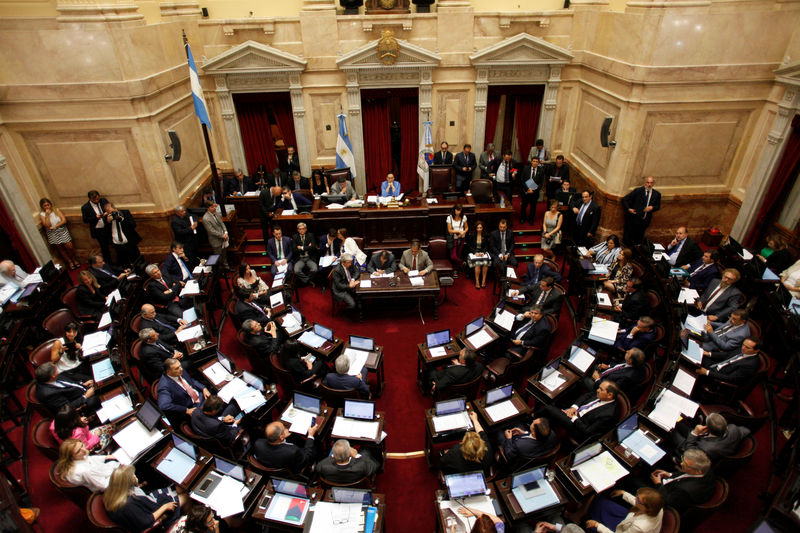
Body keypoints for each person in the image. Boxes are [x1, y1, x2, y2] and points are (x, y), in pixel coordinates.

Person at [539, 487, 663, 533]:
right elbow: (638, 502)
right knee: (599, 500)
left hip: (622, 529)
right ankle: (580, 512)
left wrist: (598, 526)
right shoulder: (657, 507)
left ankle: (579, 517)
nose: (635, 499)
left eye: (638, 500)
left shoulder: (640, 527)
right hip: (630, 518)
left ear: (647, 508)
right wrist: (624, 493)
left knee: (591, 523)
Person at [103, 464, 186, 531]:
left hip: (147, 502)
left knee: (178, 489)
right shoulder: (128, 504)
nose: (135, 476)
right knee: (184, 497)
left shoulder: (111, 492)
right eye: (133, 475)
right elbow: (146, 522)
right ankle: (190, 521)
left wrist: (137, 485)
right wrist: (165, 507)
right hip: (154, 510)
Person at [539, 380, 620, 441]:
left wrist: (574, 418)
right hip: (575, 413)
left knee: (548, 408)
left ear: (610, 395)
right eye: (599, 388)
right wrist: (574, 407)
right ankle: (541, 429)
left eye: (601, 389)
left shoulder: (608, 414)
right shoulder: (602, 395)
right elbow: (586, 396)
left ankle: (529, 419)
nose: (597, 390)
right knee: (558, 400)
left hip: (578, 428)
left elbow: (588, 432)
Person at [640, 449, 715, 514]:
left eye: (685, 464)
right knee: (650, 467)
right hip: (674, 484)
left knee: (637, 482)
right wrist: (669, 474)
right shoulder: (705, 468)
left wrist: (658, 484)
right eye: (683, 460)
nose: (681, 463)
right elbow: (686, 474)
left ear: (698, 472)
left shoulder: (685, 490)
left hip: (667, 497)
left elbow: (667, 501)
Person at [676, 413, 751, 462]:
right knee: (678, 424)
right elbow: (746, 431)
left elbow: (689, 450)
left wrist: (695, 433)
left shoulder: (707, 449)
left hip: (691, 449)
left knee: (673, 433)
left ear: (707, 428)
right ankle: (677, 423)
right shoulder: (734, 428)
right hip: (709, 441)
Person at [253, 420, 321, 474]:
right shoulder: (292, 451)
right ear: (281, 437)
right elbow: (307, 456)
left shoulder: (258, 443)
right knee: (314, 447)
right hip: (293, 467)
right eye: (284, 428)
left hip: (273, 462)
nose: (287, 428)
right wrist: (310, 435)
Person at [157, 358, 210, 423]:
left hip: (201, 395)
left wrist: (203, 388)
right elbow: (164, 405)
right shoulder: (164, 386)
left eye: (180, 366)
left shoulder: (180, 370)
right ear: (168, 372)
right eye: (177, 368)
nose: (181, 369)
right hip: (193, 407)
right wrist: (185, 410)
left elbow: (191, 381)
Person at [34, 362, 98, 414]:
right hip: (79, 405)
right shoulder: (48, 394)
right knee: (101, 396)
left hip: (80, 391)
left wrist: (83, 384)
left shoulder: (50, 378)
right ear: (52, 375)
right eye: (55, 369)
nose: (57, 369)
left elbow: (69, 383)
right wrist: (86, 396)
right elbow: (67, 408)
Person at [696, 337, 761, 386]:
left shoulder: (751, 365)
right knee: (696, 357)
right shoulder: (744, 349)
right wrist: (709, 354)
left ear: (757, 350)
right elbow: (727, 354)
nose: (743, 348)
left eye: (747, 347)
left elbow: (730, 378)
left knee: (692, 367)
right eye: (743, 345)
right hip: (716, 365)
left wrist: (707, 372)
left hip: (718, 376)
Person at [683, 308, 750, 354]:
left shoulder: (742, 334)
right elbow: (723, 325)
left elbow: (725, 346)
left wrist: (711, 332)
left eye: (734, 319)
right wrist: (709, 322)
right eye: (731, 317)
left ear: (743, 321)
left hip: (712, 346)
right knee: (685, 329)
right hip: (707, 335)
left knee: (686, 346)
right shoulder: (734, 320)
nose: (730, 320)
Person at [39, 197, 79, 269]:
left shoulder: (56, 210)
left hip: (62, 230)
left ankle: (74, 259)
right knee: (61, 248)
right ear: (42, 207)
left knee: (69, 246)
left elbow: (63, 220)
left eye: (48, 205)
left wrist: (55, 226)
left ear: (50, 204)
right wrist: (47, 215)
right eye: (45, 206)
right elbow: (47, 225)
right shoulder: (42, 214)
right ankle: (69, 262)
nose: (47, 207)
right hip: (53, 234)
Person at [621, 176, 661, 246]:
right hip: (633, 220)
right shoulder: (638, 191)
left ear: (653, 183)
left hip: (644, 221)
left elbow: (658, 206)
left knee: (638, 240)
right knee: (628, 240)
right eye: (648, 182)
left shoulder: (656, 194)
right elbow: (624, 199)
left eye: (651, 183)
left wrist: (652, 207)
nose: (649, 184)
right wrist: (628, 209)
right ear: (645, 183)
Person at [81, 190, 112, 264]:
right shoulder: (85, 207)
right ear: (90, 199)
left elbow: (110, 208)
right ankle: (109, 264)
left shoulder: (103, 201)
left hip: (108, 226)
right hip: (99, 230)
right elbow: (85, 220)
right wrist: (95, 217)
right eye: (94, 199)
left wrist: (107, 213)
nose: (96, 201)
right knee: (104, 248)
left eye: (97, 199)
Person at [201, 203, 229, 269]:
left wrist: (226, 232)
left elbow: (222, 223)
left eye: (214, 206)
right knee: (218, 256)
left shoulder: (216, 213)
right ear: (208, 208)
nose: (214, 208)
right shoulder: (205, 218)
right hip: (216, 240)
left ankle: (226, 267)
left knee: (224, 254)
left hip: (224, 237)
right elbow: (211, 231)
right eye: (212, 207)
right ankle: (220, 270)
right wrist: (222, 235)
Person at [518, 156, 545, 225]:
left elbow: (541, 183)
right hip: (526, 191)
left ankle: (531, 219)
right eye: (534, 161)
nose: (535, 163)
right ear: (531, 162)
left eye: (537, 162)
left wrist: (534, 191)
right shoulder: (526, 168)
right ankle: (522, 218)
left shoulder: (541, 171)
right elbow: (522, 180)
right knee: (524, 206)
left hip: (535, 193)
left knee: (533, 207)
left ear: (538, 163)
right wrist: (528, 189)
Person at [466, 220, 491, 289]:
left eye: (481, 228)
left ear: (482, 228)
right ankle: (477, 282)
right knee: (478, 264)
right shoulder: (472, 235)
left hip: (482, 253)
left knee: (485, 264)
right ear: (476, 228)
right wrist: (475, 252)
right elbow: (469, 246)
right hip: (474, 254)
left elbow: (486, 246)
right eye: (478, 228)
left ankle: (483, 281)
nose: (479, 229)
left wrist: (483, 252)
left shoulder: (485, 235)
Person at [446, 204, 468, 271]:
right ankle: (462, 263)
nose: (458, 212)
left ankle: (456, 269)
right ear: (454, 210)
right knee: (453, 256)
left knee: (458, 254)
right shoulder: (449, 218)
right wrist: (458, 231)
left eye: (460, 211)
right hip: (453, 238)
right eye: (457, 210)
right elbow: (449, 230)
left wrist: (463, 232)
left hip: (461, 238)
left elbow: (466, 228)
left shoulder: (463, 217)